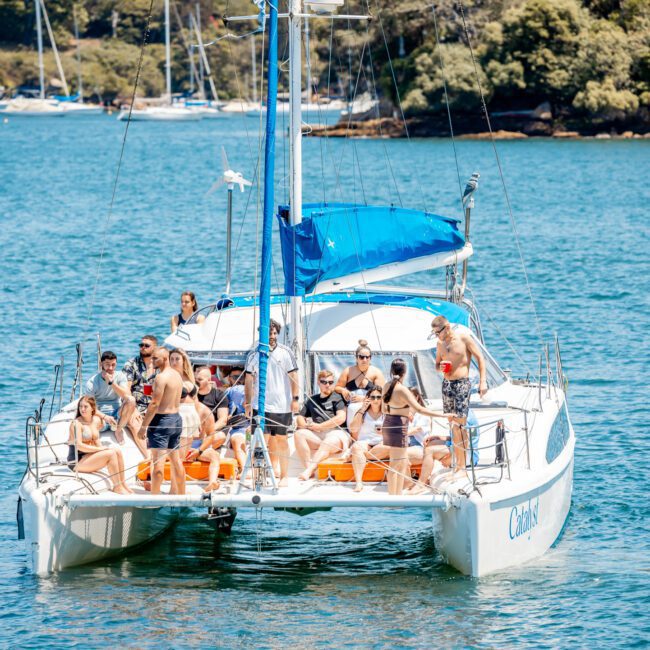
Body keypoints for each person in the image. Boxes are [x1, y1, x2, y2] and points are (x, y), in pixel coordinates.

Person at [244, 319, 300, 487]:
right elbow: (248, 379)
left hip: (281, 405)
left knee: (282, 441)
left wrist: (295, 399)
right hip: (259, 406)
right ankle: (259, 475)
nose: (273, 337)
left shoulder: (285, 352)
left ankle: (284, 476)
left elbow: (294, 377)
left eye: (275, 333)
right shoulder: (254, 354)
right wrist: (247, 403)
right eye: (270, 333)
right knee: (261, 440)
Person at [431, 315, 487, 474]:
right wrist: (440, 366)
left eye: (438, 332)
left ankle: (463, 466)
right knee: (453, 426)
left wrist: (483, 381)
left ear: (446, 327)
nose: (437, 335)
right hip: (447, 385)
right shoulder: (440, 344)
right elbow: (436, 365)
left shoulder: (464, 339)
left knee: (460, 426)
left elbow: (480, 358)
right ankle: (458, 465)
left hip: (462, 383)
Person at [381, 358, 445, 495]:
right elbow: (420, 409)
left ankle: (396, 496)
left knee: (399, 462)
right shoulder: (402, 389)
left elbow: (383, 408)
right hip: (399, 425)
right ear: (404, 372)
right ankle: (393, 499)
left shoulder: (387, 385)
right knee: (396, 464)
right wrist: (443, 415)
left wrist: (399, 410)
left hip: (389, 423)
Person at [137, 347, 185, 495]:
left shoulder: (161, 377)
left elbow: (154, 404)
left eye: (155, 358)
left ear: (164, 359)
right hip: (176, 419)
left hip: (162, 421)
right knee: (176, 461)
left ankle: (154, 497)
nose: (152, 361)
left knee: (158, 464)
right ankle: (182, 496)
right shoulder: (177, 375)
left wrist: (143, 427)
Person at [83, 351, 147, 457]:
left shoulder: (120, 376)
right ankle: (97, 453)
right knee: (91, 426)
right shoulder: (92, 382)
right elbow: (89, 406)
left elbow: (126, 395)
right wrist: (104, 416)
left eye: (113, 365)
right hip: (100, 415)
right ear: (101, 364)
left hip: (119, 414)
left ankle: (148, 457)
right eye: (107, 364)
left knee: (131, 400)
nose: (111, 368)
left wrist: (112, 383)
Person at [67, 396, 132, 494]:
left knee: (117, 451)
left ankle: (123, 484)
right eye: (80, 407)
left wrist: (101, 448)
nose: (82, 409)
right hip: (77, 461)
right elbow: (79, 446)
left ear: (92, 408)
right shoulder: (76, 423)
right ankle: (117, 487)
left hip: (88, 456)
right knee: (110, 454)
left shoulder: (96, 420)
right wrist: (100, 450)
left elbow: (97, 441)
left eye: (85, 407)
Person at [407, 410, 480, 495]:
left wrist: (449, 456)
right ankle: (426, 477)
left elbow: (465, 442)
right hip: (462, 451)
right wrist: (439, 437)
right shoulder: (464, 412)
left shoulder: (463, 416)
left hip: (468, 456)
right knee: (430, 443)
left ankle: (420, 485)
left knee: (429, 451)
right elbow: (458, 438)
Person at [295, 370, 348, 481]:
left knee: (328, 441)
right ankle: (309, 470)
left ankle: (309, 470)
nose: (327, 385)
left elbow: (341, 418)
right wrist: (305, 426)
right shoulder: (312, 400)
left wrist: (320, 426)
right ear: (318, 383)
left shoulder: (338, 398)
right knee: (299, 434)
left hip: (337, 432)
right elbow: (300, 417)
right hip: (318, 434)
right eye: (324, 382)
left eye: (330, 382)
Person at [335, 339, 386, 427]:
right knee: (351, 409)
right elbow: (337, 387)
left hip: (370, 406)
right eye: (361, 357)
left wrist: (363, 398)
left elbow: (382, 394)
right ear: (356, 357)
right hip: (351, 406)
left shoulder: (376, 372)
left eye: (367, 357)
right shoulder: (348, 371)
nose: (364, 360)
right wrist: (343, 391)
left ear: (370, 358)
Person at [348, 386, 390, 492]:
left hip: (381, 443)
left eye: (378, 397)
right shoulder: (362, 412)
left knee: (389, 446)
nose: (375, 400)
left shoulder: (387, 412)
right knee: (357, 447)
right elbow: (353, 429)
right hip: (365, 443)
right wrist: (362, 409)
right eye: (373, 397)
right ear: (368, 398)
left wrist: (384, 432)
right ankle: (359, 483)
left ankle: (361, 457)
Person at [185, 402, 224, 492]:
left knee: (215, 456)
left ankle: (212, 482)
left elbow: (211, 435)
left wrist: (199, 450)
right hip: (182, 448)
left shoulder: (204, 411)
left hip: (199, 447)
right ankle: (153, 482)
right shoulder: (177, 408)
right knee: (158, 455)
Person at [169, 348, 202, 455]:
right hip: (180, 414)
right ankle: (179, 471)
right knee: (180, 451)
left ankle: (182, 471)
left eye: (177, 359)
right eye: (172, 359)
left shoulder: (189, 377)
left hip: (192, 415)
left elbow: (195, 399)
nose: (174, 362)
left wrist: (199, 418)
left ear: (183, 360)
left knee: (186, 449)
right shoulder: (169, 376)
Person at [123, 335, 159, 415]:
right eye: (141, 345)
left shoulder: (159, 366)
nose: (143, 347)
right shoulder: (131, 364)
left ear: (155, 348)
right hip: (136, 407)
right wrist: (133, 409)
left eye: (147, 346)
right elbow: (126, 389)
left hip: (155, 407)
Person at [223, 366, 248, 472]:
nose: (238, 379)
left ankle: (244, 470)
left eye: (241, 377)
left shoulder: (233, 390)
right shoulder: (227, 391)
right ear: (229, 378)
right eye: (235, 377)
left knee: (238, 441)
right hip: (237, 427)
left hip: (247, 426)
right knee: (237, 441)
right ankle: (245, 470)